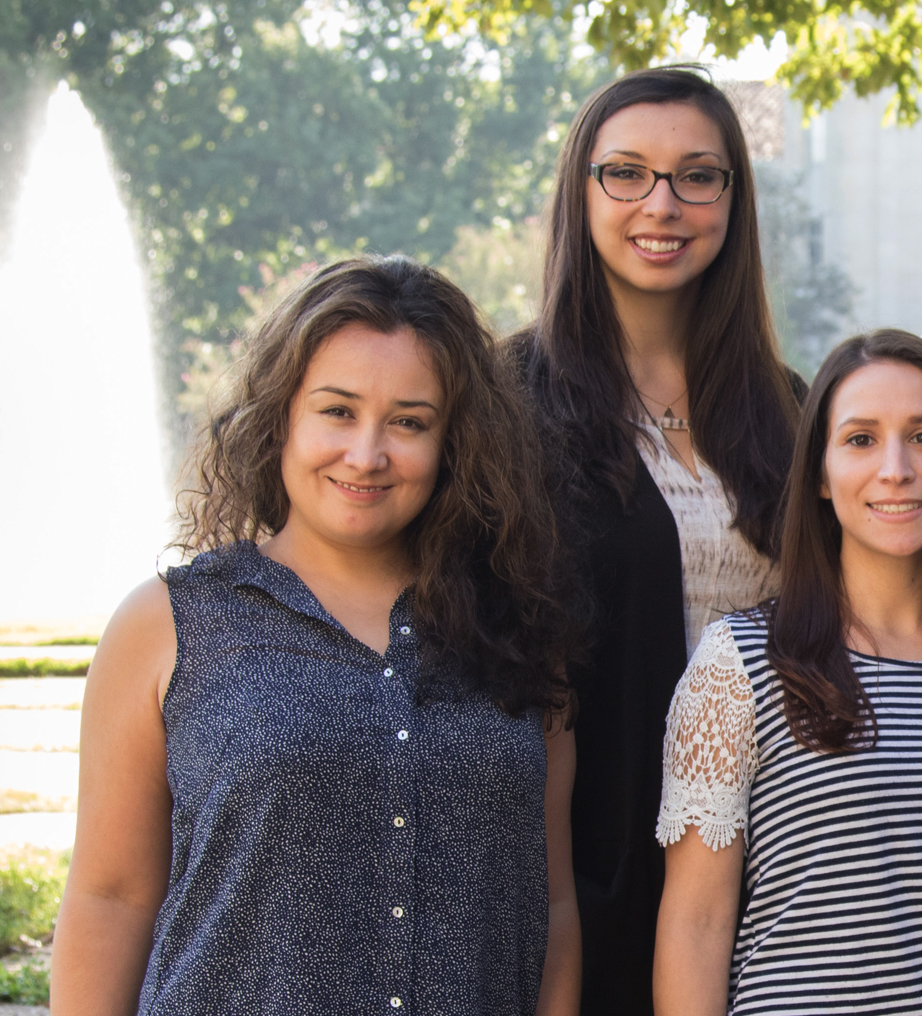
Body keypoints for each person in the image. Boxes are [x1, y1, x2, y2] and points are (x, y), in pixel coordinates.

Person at [51, 256, 580, 1015]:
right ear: (282, 417)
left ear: (455, 443)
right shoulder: (168, 626)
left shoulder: (521, 635)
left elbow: (550, 906)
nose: (366, 454)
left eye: (409, 422)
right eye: (337, 411)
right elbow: (110, 899)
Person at [649, 330, 922, 1016]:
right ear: (820, 474)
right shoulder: (739, 665)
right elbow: (696, 926)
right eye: (861, 439)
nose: (896, 468)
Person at [511, 68, 803, 1014]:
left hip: (777, 859)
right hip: (580, 859)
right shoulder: (504, 400)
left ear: (733, 198)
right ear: (580, 192)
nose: (662, 204)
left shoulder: (791, 411)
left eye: (697, 176)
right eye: (626, 173)